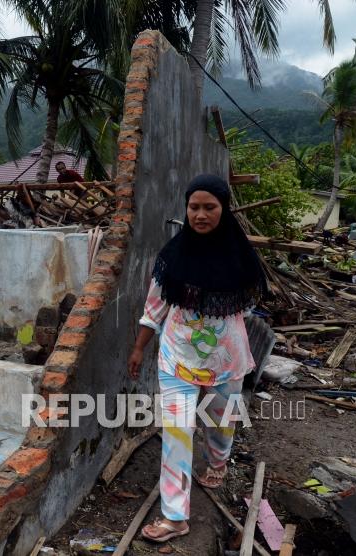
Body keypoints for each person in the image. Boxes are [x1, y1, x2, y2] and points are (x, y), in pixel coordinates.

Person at [128, 174, 267, 543]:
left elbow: (249, 301)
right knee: (177, 433)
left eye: (209, 207)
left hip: (226, 359)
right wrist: (140, 347)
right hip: (177, 357)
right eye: (194, 207)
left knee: (221, 424)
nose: (200, 215)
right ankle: (175, 517)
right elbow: (153, 309)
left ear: (224, 209)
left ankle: (218, 464)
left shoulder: (240, 257)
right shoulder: (171, 258)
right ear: (185, 209)